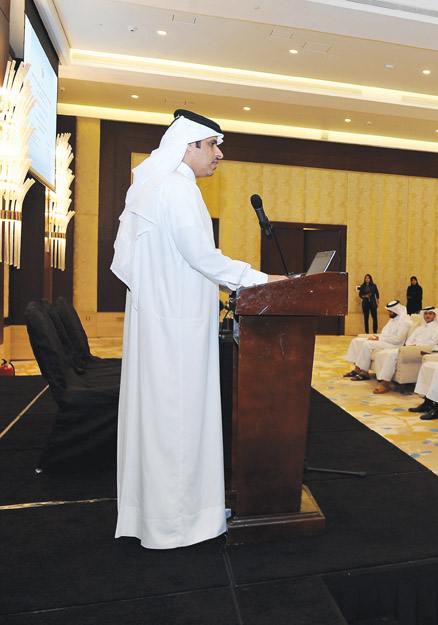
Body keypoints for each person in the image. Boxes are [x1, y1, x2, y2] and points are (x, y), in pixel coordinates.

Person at [111, 110, 286, 549]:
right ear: (188, 145)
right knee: (179, 419)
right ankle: (179, 523)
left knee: (163, 419)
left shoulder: (154, 185)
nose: (219, 154)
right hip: (176, 328)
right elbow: (203, 258)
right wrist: (266, 281)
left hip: (162, 321)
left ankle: (163, 513)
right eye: (212, 145)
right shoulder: (177, 186)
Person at [372, 306, 438, 394]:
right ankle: (389, 382)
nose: (427, 315)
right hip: (409, 348)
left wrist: (416, 345)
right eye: (426, 313)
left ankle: (385, 384)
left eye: (430, 313)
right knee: (384, 353)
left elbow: (433, 342)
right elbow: (410, 340)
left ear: (434, 315)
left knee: (391, 355)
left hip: (421, 350)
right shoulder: (420, 328)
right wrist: (410, 345)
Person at [344, 300, 411, 380]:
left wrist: (379, 339)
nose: (388, 313)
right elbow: (385, 334)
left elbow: (398, 339)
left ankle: (364, 372)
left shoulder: (405, 322)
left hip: (394, 345)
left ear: (396, 310)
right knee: (356, 341)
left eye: (390, 311)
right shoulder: (392, 320)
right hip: (384, 341)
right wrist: (376, 338)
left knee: (367, 344)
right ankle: (357, 369)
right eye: (388, 311)